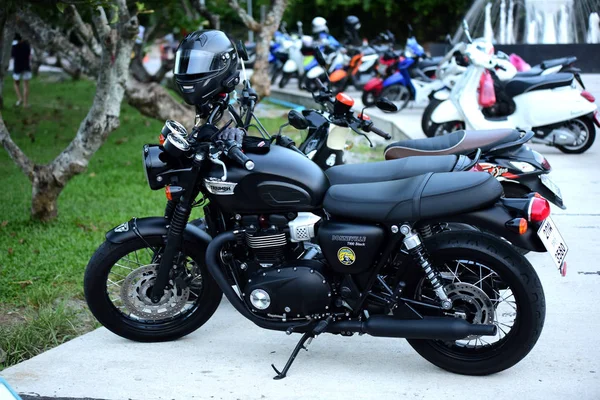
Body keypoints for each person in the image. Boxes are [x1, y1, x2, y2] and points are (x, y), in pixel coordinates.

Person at [11, 33, 32, 108]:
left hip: (17, 67)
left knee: (16, 83)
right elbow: (29, 55)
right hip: (26, 67)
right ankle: (25, 104)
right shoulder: (27, 45)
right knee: (26, 85)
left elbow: (12, 55)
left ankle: (20, 98)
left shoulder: (15, 47)